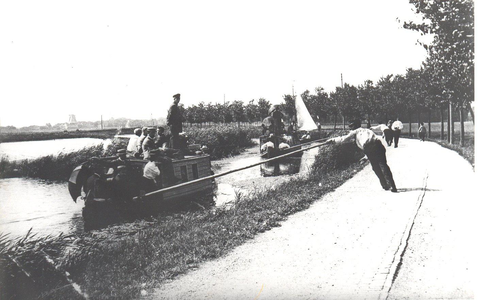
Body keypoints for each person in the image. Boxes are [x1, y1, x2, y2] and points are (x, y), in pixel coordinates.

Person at [326, 119, 397, 193]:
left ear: (356, 126)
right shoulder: (367, 130)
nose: (350, 128)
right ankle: (392, 185)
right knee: (383, 165)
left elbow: (344, 139)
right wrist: (366, 157)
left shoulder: (356, 131)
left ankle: (385, 185)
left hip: (370, 147)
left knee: (376, 167)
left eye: (351, 126)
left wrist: (332, 140)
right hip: (379, 146)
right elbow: (370, 142)